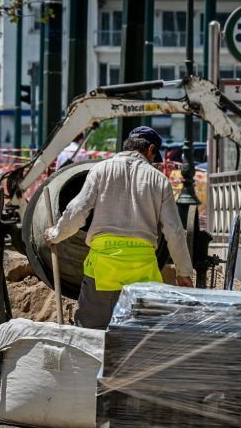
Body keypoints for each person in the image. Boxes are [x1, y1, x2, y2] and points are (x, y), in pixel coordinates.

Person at [45, 126, 194, 329]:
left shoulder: (101, 170)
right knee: (138, 337)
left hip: (103, 271)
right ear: (151, 149)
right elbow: (174, 231)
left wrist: (55, 234)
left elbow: (78, 210)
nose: (153, 161)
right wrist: (183, 272)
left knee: (91, 335)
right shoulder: (159, 180)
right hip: (142, 272)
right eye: (154, 156)